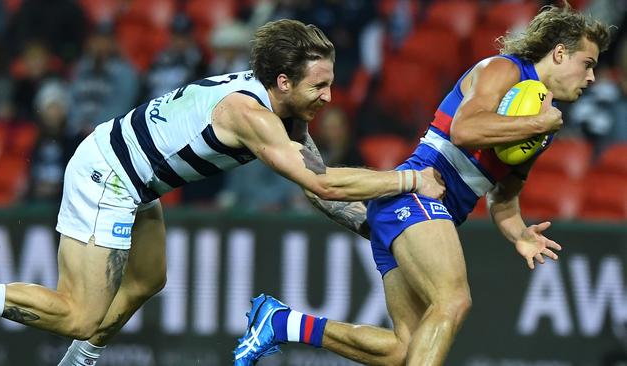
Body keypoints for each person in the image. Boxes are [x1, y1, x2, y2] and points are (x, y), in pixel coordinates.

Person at [0, 19, 445, 366]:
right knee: (79, 315)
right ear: (284, 82)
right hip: (110, 171)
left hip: (134, 176)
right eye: (319, 86)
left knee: (146, 280)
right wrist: (409, 181)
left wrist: (383, 232)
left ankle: (74, 364)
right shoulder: (251, 116)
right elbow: (322, 182)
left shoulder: (286, 113)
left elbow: (322, 191)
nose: (328, 97)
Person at [233, 3, 612, 366]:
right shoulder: (506, 71)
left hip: (417, 212)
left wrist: (520, 235)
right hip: (415, 197)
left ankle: (282, 323)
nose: (592, 77)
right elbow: (464, 131)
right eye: (588, 64)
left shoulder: (540, 123)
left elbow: (503, 198)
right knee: (453, 302)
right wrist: (538, 125)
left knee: (404, 350)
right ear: (560, 54)